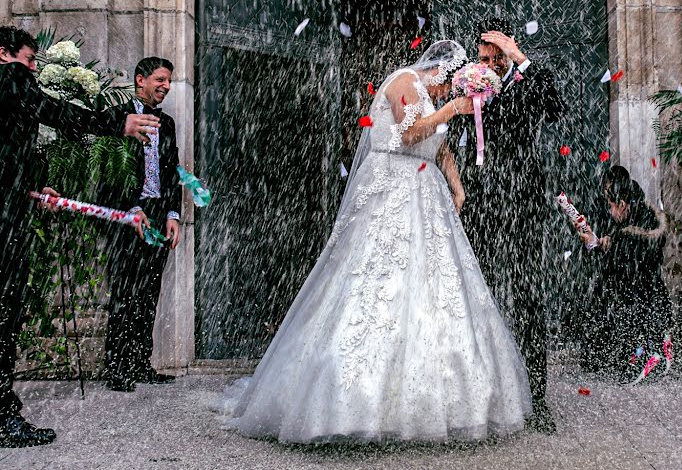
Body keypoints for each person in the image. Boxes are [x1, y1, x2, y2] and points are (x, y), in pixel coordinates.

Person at [214, 40, 531, 443]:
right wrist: (451, 109)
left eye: (451, 94)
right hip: (392, 185)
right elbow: (411, 133)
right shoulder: (405, 82)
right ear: (442, 73)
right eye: (448, 89)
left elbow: (441, 144)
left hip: (424, 187)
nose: (448, 96)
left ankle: (439, 401)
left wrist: (456, 183)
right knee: (374, 278)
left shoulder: (437, 97)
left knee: (436, 284)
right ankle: (345, 403)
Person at [0, 26, 159, 447]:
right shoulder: (9, 77)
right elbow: (52, 111)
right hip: (3, 223)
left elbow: (9, 148)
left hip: (10, 205)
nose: (33, 70)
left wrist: (35, 183)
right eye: (30, 60)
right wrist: (114, 123)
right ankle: (1, 416)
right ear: (3, 54)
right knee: (3, 314)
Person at [453, 18, 563, 426]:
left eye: (491, 57)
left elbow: (555, 107)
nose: (484, 64)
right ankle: (479, 393)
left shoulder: (528, 79)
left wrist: (522, 60)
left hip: (524, 203)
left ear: (505, 54)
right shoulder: (470, 82)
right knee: (475, 291)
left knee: (528, 295)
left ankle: (537, 398)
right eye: (480, 57)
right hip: (482, 202)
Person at [100, 57, 182, 392]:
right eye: (160, 80)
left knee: (148, 292)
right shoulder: (117, 117)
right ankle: (117, 367)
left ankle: (138, 363)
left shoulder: (169, 123)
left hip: (157, 215)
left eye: (168, 82)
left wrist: (173, 215)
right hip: (127, 216)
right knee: (124, 291)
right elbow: (108, 171)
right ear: (140, 80)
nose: (165, 86)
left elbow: (173, 170)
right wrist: (131, 207)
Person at [578, 165, 672, 378]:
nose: (609, 210)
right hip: (652, 301)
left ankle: (640, 354)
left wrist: (600, 246)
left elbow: (622, 265)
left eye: (611, 204)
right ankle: (654, 346)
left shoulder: (633, 230)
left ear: (621, 204)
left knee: (606, 299)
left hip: (635, 302)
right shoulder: (639, 213)